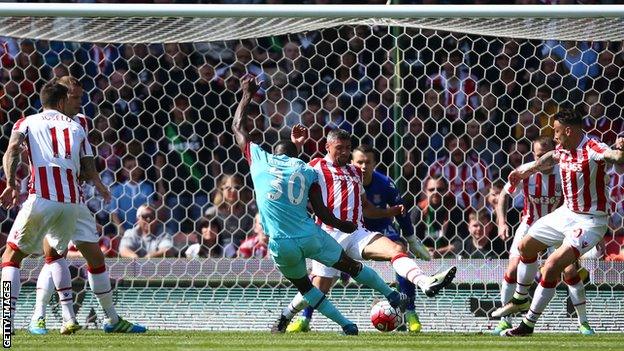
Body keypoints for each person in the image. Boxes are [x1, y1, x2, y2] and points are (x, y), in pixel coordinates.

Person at [233, 76, 408, 336]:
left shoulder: (260, 161)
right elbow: (320, 208)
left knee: (308, 287)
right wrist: (340, 224)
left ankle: (346, 325)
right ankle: (392, 294)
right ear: (296, 155)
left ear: (274, 152)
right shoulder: (306, 170)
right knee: (351, 266)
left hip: (281, 241)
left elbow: (238, 127)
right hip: (311, 234)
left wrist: (246, 95)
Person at [285, 127, 456, 334]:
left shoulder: (355, 172)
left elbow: (366, 208)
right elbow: (290, 169)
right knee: (317, 288)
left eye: (348, 148)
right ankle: (291, 317)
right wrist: (297, 146)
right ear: (327, 147)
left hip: (357, 233)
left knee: (395, 248)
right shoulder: (316, 166)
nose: (345, 153)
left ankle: (425, 282)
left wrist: (390, 211)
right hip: (328, 237)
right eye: (340, 148)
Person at [26, 76, 146, 335]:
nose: (81, 103)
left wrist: (94, 181)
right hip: (49, 195)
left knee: (95, 256)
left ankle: (112, 320)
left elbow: (85, 158)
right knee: (52, 256)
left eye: (81, 97)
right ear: (61, 98)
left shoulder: (81, 122)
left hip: (75, 198)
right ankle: (39, 316)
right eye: (75, 98)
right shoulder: (39, 123)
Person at [492, 108, 624, 336]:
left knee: (553, 266)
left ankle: (528, 324)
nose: (554, 136)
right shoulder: (563, 148)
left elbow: (614, 157)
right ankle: (521, 299)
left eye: (556, 131)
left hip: (591, 220)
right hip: (565, 213)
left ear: (569, 131)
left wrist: (621, 150)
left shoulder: (592, 147)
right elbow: (551, 157)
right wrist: (529, 170)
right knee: (525, 246)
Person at [1, 79, 90, 334]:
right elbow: (88, 166)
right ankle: (69, 317)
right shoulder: (76, 126)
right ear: (62, 102)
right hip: (71, 202)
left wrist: (10, 183)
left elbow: (13, 149)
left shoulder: (27, 122)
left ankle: (6, 323)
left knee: (11, 257)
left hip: (41, 197)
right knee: (55, 256)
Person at [493, 135, 595, 335]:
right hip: (531, 224)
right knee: (513, 269)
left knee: (570, 272)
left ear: (554, 152)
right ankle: (505, 320)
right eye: (538, 155)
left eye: (545, 155)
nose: (542, 160)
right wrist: (502, 222)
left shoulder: (566, 169)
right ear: (534, 155)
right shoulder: (526, 171)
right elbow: (504, 195)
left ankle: (584, 323)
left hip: (560, 226)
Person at [348, 143, 430, 332]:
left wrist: (411, 239)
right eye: (359, 162)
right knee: (323, 270)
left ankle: (409, 311)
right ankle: (305, 318)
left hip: (382, 227)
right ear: (352, 162)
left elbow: (401, 211)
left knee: (401, 251)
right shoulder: (346, 182)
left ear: (374, 163)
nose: (363, 166)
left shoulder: (384, 183)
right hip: (353, 230)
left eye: (368, 162)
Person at [411, 176, 464, 258]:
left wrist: (439, 252)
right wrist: (426, 250)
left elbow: (461, 242)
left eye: (440, 189)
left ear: (447, 190)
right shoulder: (419, 210)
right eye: (431, 189)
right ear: (425, 191)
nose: (435, 192)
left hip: (450, 258)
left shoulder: (455, 210)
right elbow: (412, 239)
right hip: (423, 257)